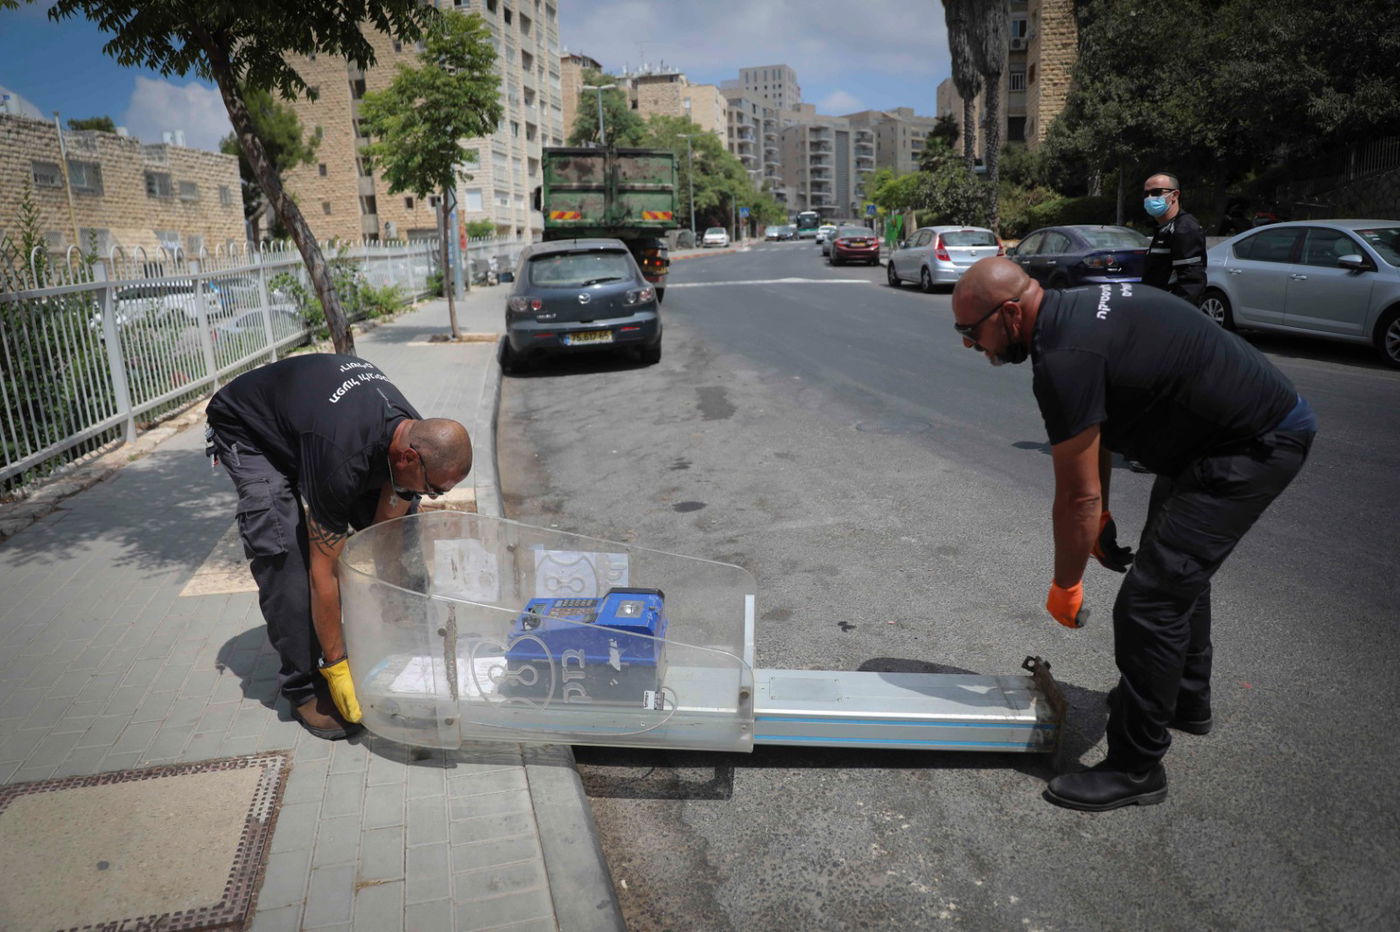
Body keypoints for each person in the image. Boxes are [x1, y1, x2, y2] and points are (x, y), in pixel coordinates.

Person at [950, 258, 1316, 812]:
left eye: (970, 332)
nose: (970, 346)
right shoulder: (1068, 313)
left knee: (1149, 604)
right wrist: (1099, 521)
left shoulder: (1063, 359)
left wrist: (1065, 584)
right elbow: (1096, 433)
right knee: (1175, 571)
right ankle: (1186, 702)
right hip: (1216, 438)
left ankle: (1135, 768)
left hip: (1251, 445)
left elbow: (1075, 496)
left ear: (1008, 313)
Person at [205, 354, 472, 740]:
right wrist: (338, 665)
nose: (432, 497)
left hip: (315, 424)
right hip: (250, 431)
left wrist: (399, 618)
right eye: (434, 488)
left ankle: (413, 640)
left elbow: (388, 534)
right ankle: (305, 688)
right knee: (286, 552)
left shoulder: (409, 432)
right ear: (409, 457)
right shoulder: (341, 457)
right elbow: (323, 573)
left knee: (405, 532)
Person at [1141, 172, 1207, 306]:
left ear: (1174, 195)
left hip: (1170, 312)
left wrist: (1175, 315)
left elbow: (1192, 283)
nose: (1149, 198)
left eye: (1156, 192)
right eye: (1146, 194)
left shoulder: (1184, 228)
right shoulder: (1163, 228)